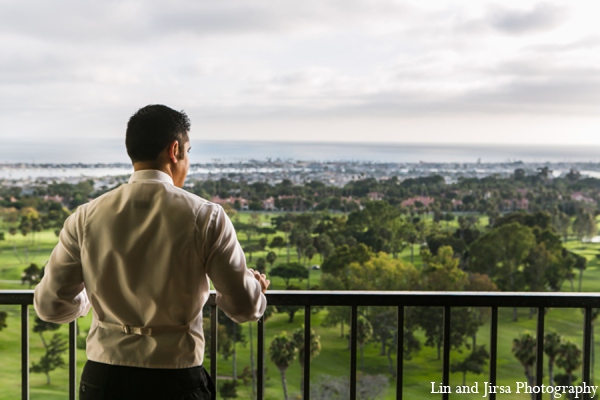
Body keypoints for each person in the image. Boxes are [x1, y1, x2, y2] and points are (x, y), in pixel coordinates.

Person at [34, 104, 269, 400]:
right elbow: (245, 308)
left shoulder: (85, 217)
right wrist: (253, 289)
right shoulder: (206, 216)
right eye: (188, 150)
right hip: (177, 378)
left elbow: (50, 306)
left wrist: (88, 301)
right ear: (175, 151)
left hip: (105, 379)